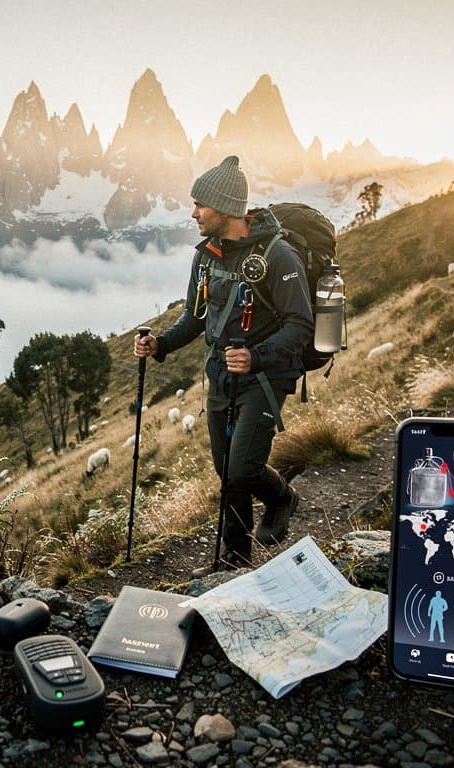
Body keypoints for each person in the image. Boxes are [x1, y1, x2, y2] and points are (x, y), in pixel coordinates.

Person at [134, 156, 313, 571]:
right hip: (221, 376)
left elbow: (300, 324)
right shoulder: (206, 256)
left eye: (200, 204)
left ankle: (282, 497)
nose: (193, 212)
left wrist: (256, 356)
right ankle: (233, 560)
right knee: (226, 473)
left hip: (266, 377)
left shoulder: (279, 255)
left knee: (243, 468)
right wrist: (159, 344)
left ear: (226, 207)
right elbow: (195, 317)